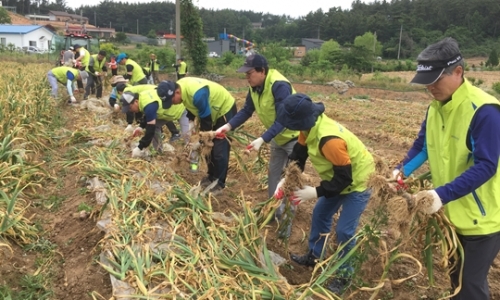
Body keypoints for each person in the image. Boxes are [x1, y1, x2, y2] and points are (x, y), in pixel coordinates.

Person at [393, 37, 500, 300]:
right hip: (451, 215)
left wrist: (440, 195)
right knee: (456, 281)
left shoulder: (483, 111)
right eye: (426, 81)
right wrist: (399, 171)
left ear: (458, 72)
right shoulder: (435, 108)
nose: (429, 87)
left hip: (482, 219)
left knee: (470, 288)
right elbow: (423, 147)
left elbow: (487, 165)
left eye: (435, 80)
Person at [274, 93, 374, 295]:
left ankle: (345, 274)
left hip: (359, 182)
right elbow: (298, 157)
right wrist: (285, 179)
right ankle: (315, 255)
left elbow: (345, 178)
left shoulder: (329, 140)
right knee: (320, 213)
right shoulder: (309, 128)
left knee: (345, 230)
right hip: (339, 180)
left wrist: (315, 192)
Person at [215, 54, 299, 235]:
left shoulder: (279, 86)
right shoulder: (255, 87)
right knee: (274, 178)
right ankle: (274, 213)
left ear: (262, 71)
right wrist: (228, 126)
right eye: (245, 73)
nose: (247, 77)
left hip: (295, 138)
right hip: (277, 137)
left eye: (250, 73)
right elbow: (247, 110)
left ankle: (286, 226)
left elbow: (283, 119)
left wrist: (262, 139)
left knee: (290, 181)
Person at [157, 78, 237, 194]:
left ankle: (219, 183)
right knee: (207, 149)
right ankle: (211, 176)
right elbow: (189, 105)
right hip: (210, 113)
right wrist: (190, 122)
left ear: (177, 92)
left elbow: (206, 120)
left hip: (224, 110)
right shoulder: (182, 88)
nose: (173, 103)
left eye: (172, 100)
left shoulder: (197, 94)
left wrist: (200, 141)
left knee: (219, 149)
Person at [120, 90, 190, 157]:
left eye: (130, 108)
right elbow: (148, 115)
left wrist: (140, 147)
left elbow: (150, 130)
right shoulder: (142, 98)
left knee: (187, 136)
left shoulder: (149, 105)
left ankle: (193, 162)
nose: (130, 111)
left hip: (180, 110)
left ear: (136, 101)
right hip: (166, 113)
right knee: (156, 126)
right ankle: (159, 152)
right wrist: (140, 127)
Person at [115, 83, 182, 142]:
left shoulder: (127, 94)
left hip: (154, 95)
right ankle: (163, 136)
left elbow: (133, 109)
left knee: (164, 114)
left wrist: (130, 123)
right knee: (159, 116)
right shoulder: (130, 91)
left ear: (119, 92)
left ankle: (174, 133)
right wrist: (141, 126)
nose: (130, 110)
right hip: (153, 93)